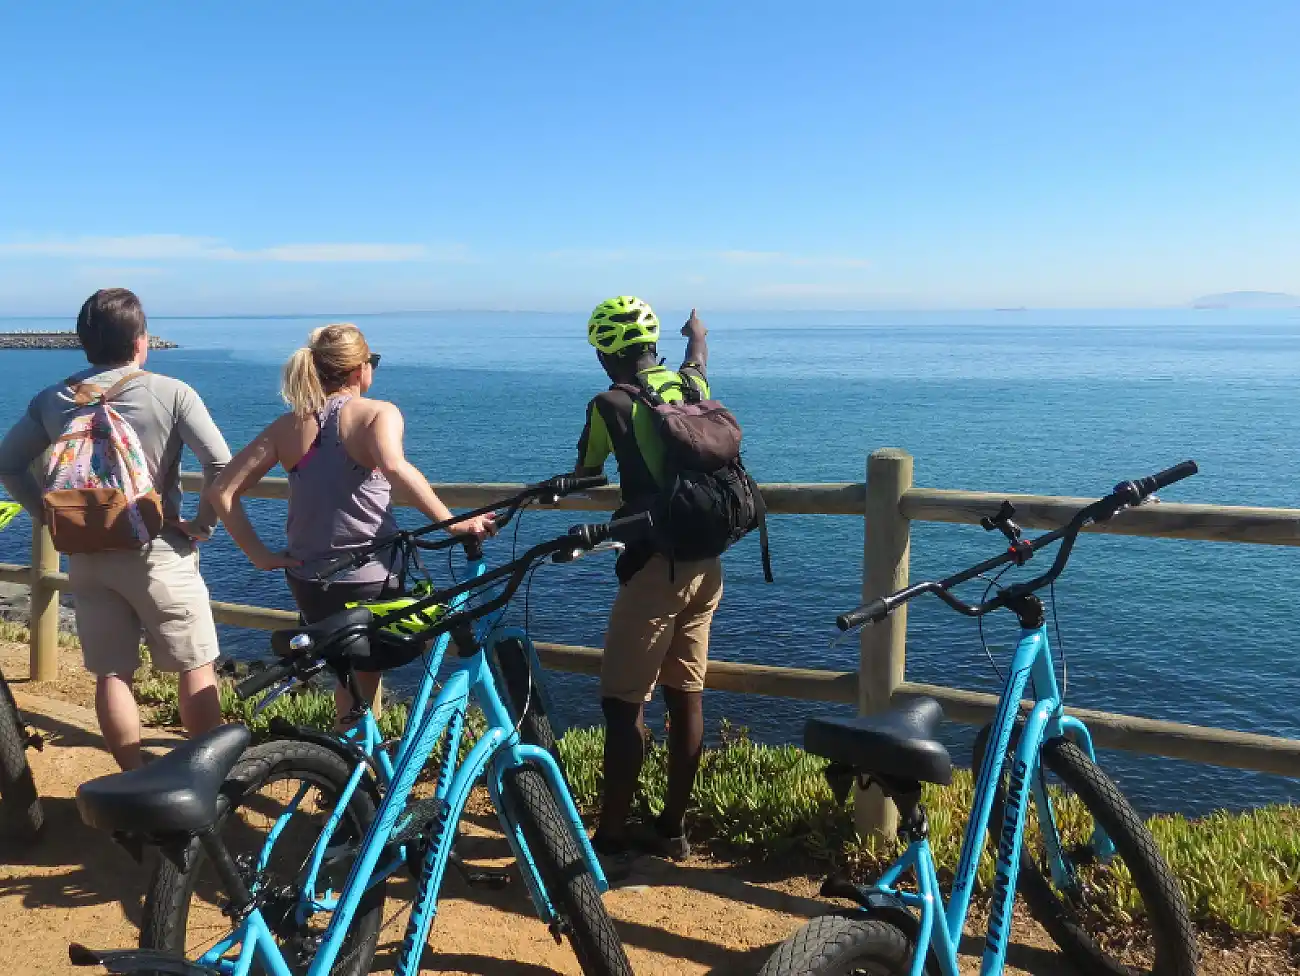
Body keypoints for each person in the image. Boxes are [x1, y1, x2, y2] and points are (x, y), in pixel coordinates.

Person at [206, 322, 496, 725]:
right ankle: (362, 762)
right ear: (361, 368)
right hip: (369, 577)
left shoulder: (287, 425)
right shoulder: (378, 413)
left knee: (346, 671)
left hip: (309, 579)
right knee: (369, 667)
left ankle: (345, 761)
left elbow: (222, 491)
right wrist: (453, 524)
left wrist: (260, 556)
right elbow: (394, 466)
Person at [0, 288, 230, 770]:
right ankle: (204, 782)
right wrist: (203, 525)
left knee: (112, 674)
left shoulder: (53, 398)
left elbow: (8, 463)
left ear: (83, 342)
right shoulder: (170, 392)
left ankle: (133, 780)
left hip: (86, 555)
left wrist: (47, 515)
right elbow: (220, 464)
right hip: (157, 549)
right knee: (194, 666)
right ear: (140, 341)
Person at [574, 296, 718, 862]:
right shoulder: (690, 388)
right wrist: (697, 332)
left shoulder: (609, 404)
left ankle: (610, 838)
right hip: (707, 564)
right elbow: (699, 360)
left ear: (607, 351)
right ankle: (672, 831)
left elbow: (588, 473)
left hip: (654, 568)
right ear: (653, 346)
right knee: (686, 697)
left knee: (623, 705)